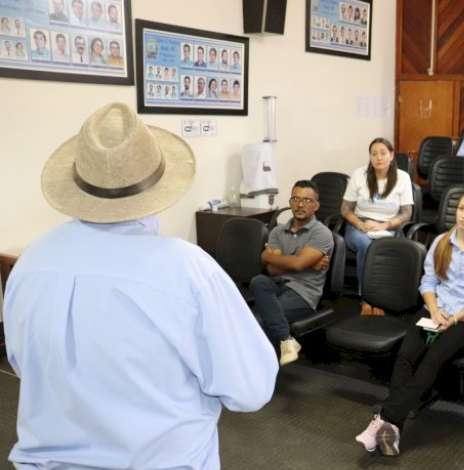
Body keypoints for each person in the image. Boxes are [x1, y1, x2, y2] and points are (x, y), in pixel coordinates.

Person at [3, 102, 278, 469]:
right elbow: (250, 389)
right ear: (159, 185)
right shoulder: (187, 270)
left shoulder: (31, 262)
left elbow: (25, 363)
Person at [355, 190, 464, 457]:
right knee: (405, 356)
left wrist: (455, 318)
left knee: (432, 359)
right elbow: (428, 283)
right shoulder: (441, 242)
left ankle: (383, 418)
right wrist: (434, 310)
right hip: (436, 313)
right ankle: (392, 430)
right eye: (461, 208)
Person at [250, 181, 334, 366]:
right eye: (295, 199)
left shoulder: (322, 233)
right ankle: (286, 340)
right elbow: (273, 270)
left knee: (258, 320)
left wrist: (268, 256)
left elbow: (295, 265)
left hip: (304, 293)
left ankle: (259, 369)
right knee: (258, 281)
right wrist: (306, 263)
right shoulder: (278, 231)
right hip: (278, 284)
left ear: (316, 205)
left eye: (306, 200)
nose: (300, 204)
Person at [341, 138, 414, 315]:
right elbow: (345, 209)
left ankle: (381, 298)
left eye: (383, 153)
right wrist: (361, 224)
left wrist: (384, 225)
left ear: (391, 156)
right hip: (359, 225)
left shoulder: (402, 177)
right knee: (367, 245)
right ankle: (365, 298)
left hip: (389, 226)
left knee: (384, 247)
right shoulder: (359, 174)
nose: (378, 158)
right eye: (374, 154)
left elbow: (406, 213)